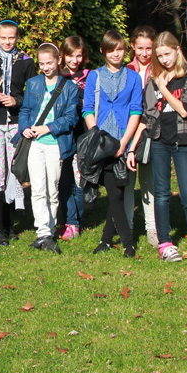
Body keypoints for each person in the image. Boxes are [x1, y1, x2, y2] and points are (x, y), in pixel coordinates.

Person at [138, 31, 187, 265]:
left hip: (183, 139)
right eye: (159, 56)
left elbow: (185, 109)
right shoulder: (155, 77)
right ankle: (165, 243)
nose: (164, 60)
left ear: (177, 50)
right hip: (159, 139)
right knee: (161, 193)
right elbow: (148, 112)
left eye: (167, 54)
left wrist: (163, 88)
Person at [14, 43, 80, 254]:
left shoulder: (70, 87)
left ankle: (49, 230)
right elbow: (25, 110)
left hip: (55, 144)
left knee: (52, 189)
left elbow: (71, 118)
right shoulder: (33, 83)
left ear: (58, 60)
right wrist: (24, 127)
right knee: (37, 189)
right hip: (35, 143)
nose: (45, 67)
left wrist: (48, 128)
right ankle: (42, 231)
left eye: (49, 63)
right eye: (41, 64)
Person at [82, 30, 143, 257]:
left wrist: (124, 143)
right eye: (111, 50)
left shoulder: (134, 78)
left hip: (122, 140)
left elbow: (136, 111)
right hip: (101, 143)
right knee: (114, 193)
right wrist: (96, 136)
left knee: (117, 192)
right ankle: (128, 243)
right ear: (103, 51)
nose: (116, 54)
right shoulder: (95, 76)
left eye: (120, 49)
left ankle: (107, 241)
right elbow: (88, 109)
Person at [0, 19, 36, 246]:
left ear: (17, 37)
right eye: (3, 37)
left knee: (13, 174)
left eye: (11, 38)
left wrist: (16, 100)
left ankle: (9, 225)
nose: (7, 42)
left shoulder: (26, 61)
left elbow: (33, 95)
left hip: (16, 124)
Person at [127, 26, 157, 247]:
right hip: (129, 128)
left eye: (149, 48)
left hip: (151, 129)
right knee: (127, 180)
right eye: (140, 48)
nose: (144, 53)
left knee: (149, 181)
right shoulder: (127, 69)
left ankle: (152, 228)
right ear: (133, 47)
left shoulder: (159, 69)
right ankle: (127, 225)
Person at [58, 36, 90, 240]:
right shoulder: (57, 76)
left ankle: (76, 221)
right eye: (70, 55)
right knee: (64, 179)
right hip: (63, 134)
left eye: (78, 56)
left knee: (79, 179)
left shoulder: (89, 76)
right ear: (63, 55)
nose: (74, 60)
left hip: (82, 133)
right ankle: (69, 220)